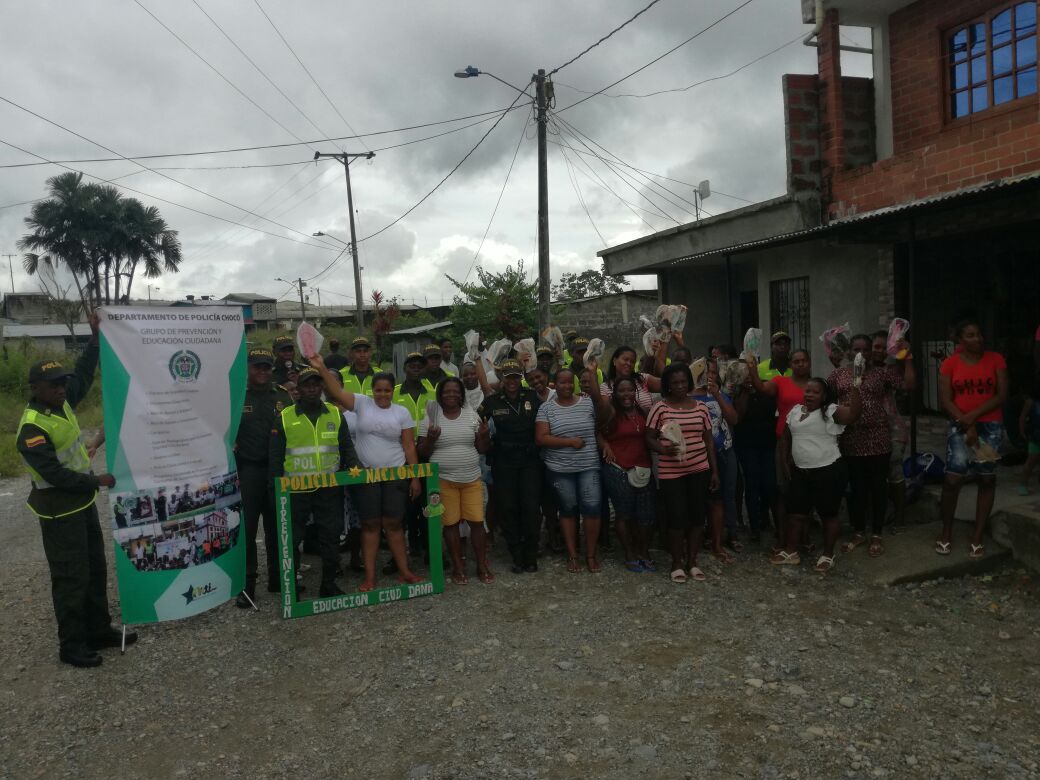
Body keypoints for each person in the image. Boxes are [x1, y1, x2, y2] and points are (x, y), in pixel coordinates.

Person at [16, 312, 136, 668]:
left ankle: (99, 630)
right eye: (53, 384)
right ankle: (71, 644)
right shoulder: (32, 427)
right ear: (35, 388)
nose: (61, 387)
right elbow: (54, 474)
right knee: (71, 577)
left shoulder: (62, 404)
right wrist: (97, 481)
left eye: (62, 382)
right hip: (58, 509)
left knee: (96, 569)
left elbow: (83, 372)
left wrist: (95, 339)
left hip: (81, 506)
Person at [308, 355, 425, 590]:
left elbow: (409, 446)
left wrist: (415, 477)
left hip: (395, 474)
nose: (382, 394)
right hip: (366, 476)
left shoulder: (401, 412)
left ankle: (405, 572)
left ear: (393, 391)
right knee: (370, 525)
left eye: (387, 390)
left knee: (394, 524)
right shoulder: (361, 403)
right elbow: (336, 392)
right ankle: (370, 577)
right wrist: (320, 367)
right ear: (372, 390)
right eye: (378, 390)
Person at [269, 367, 361, 597]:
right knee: (292, 538)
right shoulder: (286, 417)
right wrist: (274, 487)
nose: (312, 389)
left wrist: (356, 468)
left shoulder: (335, 413)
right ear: (298, 389)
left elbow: (346, 445)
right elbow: (276, 456)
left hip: (329, 488)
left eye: (316, 384)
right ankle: (290, 586)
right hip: (295, 489)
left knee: (330, 537)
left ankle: (328, 584)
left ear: (322, 387)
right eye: (307, 385)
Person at [829, 331, 915, 557]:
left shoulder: (881, 374)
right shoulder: (838, 375)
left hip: (878, 438)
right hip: (851, 439)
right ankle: (858, 531)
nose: (861, 353)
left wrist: (907, 356)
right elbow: (823, 399)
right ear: (849, 352)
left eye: (865, 349)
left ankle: (876, 533)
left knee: (878, 487)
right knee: (857, 488)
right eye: (856, 349)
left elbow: (908, 384)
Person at [774, 377, 862, 571]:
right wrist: (786, 464)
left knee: (828, 514)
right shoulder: (795, 411)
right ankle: (791, 552)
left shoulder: (829, 411)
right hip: (800, 472)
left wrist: (856, 387)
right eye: (808, 391)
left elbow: (853, 414)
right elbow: (785, 439)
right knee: (796, 514)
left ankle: (827, 555)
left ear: (823, 396)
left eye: (815, 392)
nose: (810, 395)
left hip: (828, 470)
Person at [936, 320, 1008, 557]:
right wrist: (966, 423)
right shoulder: (950, 364)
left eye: (979, 334)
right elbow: (946, 400)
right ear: (959, 339)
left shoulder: (995, 359)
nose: (977, 339)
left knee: (986, 478)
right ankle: (946, 531)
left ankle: (977, 535)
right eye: (970, 335)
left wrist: (973, 419)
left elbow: (1002, 394)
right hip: (959, 426)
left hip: (990, 429)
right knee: (953, 479)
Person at [645, 363, 719, 583]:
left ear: (690, 382)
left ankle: (692, 561)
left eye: (683, 382)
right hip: (671, 472)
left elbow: (708, 442)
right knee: (676, 518)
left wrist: (714, 472)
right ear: (667, 385)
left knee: (697, 516)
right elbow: (649, 437)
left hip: (699, 469)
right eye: (674, 382)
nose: (679, 386)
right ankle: (677, 562)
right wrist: (663, 449)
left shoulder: (701, 408)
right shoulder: (660, 408)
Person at [417, 377, 493, 584]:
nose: (451, 395)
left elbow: (481, 449)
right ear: (440, 395)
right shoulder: (431, 416)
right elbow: (422, 452)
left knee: (477, 522)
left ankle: (481, 565)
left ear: (461, 394)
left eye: (455, 391)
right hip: (443, 479)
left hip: (471, 478)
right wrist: (431, 438)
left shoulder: (471, 415)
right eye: (447, 392)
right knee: (449, 524)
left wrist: (485, 436)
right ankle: (458, 568)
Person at [234, 347, 293, 607]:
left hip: (277, 471)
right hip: (248, 471)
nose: (262, 371)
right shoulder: (236, 396)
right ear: (248, 368)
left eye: (266, 366)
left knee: (276, 526)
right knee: (247, 530)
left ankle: (277, 578)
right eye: (257, 366)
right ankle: (247, 585)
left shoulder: (282, 396)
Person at [535, 367, 603, 573]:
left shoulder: (588, 403)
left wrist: (592, 373)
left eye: (569, 382)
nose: (566, 386)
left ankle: (590, 555)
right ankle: (573, 555)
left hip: (588, 465)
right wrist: (570, 442)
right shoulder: (546, 408)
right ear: (555, 384)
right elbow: (541, 438)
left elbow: (603, 421)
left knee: (592, 509)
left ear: (574, 383)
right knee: (568, 509)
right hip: (560, 468)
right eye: (561, 382)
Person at [478, 359, 542, 573]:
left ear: (520, 377)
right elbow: (476, 423)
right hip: (503, 460)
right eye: (508, 377)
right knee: (508, 507)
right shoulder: (492, 401)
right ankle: (516, 554)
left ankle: (531, 555)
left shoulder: (532, 397)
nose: (512, 380)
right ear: (502, 379)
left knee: (531, 507)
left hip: (529, 460)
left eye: (516, 376)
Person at [747, 349, 812, 551]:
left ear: (809, 363)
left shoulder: (816, 384)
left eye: (803, 361)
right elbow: (760, 388)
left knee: (807, 492)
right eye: (796, 361)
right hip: (784, 441)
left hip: (810, 442)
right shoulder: (780, 382)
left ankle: (805, 537)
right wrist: (751, 368)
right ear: (790, 364)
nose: (800, 364)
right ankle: (782, 537)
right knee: (783, 491)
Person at [590, 375, 655, 572]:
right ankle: (629, 552)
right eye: (621, 391)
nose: (626, 394)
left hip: (642, 467)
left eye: (629, 390)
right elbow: (597, 431)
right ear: (615, 394)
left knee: (646, 515)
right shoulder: (610, 412)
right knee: (624, 513)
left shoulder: (643, 411)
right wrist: (606, 445)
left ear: (635, 392)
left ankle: (643, 551)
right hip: (617, 467)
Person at [693, 359, 741, 562]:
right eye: (705, 372)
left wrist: (716, 395)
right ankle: (703, 535)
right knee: (702, 498)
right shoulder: (688, 396)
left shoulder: (721, 395)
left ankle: (724, 538)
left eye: (712, 372)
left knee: (723, 497)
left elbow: (733, 420)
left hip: (723, 451)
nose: (709, 375)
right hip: (699, 454)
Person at [600, 346, 663, 413]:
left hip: (648, 422)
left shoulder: (642, 379)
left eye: (632, 361)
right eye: (625, 360)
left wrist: (658, 358)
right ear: (614, 361)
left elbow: (668, 384)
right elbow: (604, 414)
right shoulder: (606, 387)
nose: (629, 363)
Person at [1018, 381, 1040, 495]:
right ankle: (1022, 484)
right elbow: (1023, 417)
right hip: (1036, 436)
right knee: (1031, 461)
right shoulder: (1031, 402)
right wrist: (1022, 432)